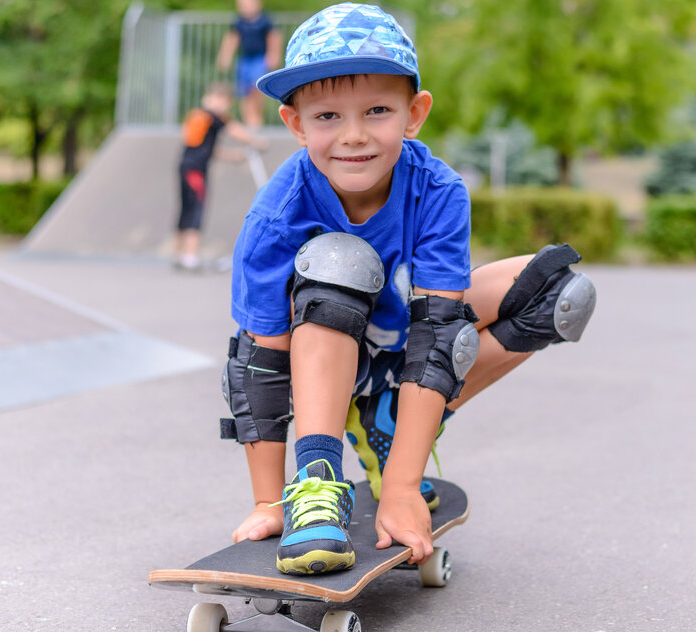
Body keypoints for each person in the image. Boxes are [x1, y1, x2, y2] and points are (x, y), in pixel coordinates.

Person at [220, 2, 597, 575]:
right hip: (318, 357)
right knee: (339, 261)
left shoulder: (439, 190)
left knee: (561, 294)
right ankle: (317, 483)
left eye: (377, 111)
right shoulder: (278, 215)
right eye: (327, 117)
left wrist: (399, 485)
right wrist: (267, 500)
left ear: (413, 113)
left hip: (404, 339)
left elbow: (439, 334)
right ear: (295, 124)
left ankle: (391, 423)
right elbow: (262, 365)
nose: (353, 136)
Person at [175, 82, 268, 272]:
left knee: (186, 208)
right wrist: (257, 142)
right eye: (223, 101)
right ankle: (190, 257)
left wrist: (233, 156)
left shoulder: (200, 117)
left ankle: (179, 254)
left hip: (187, 165)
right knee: (196, 208)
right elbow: (236, 130)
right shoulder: (212, 117)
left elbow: (205, 149)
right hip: (195, 170)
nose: (225, 106)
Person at [216, 0, 281, 128]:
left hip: (259, 59)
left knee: (256, 90)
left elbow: (273, 37)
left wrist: (273, 55)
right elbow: (232, 39)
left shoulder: (264, 20)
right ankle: (249, 122)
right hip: (245, 60)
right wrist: (225, 56)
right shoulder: (239, 21)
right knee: (243, 93)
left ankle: (256, 120)